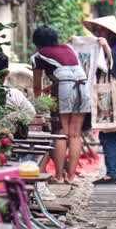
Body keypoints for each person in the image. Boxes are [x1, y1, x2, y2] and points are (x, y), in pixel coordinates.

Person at [32, 25, 91, 184]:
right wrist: (52, 86)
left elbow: (36, 87)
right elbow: (70, 73)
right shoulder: (69, 48)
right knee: (75, 134)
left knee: (61, 132)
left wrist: (38, 105)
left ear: (37, 42)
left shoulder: (39, 55)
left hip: (65, 90)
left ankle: (58, 177)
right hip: (84, 87)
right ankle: (71, 177)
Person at [84, 15, 116, 186]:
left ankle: (113, 173)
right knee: (110, 133)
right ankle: (114, 172)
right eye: (96, 30)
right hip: (104, 93)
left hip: (112, 93)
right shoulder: (102, 46)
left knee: (108, 132)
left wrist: (106, 49)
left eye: (100, 29)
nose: (97, 32)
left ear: (110, 33)